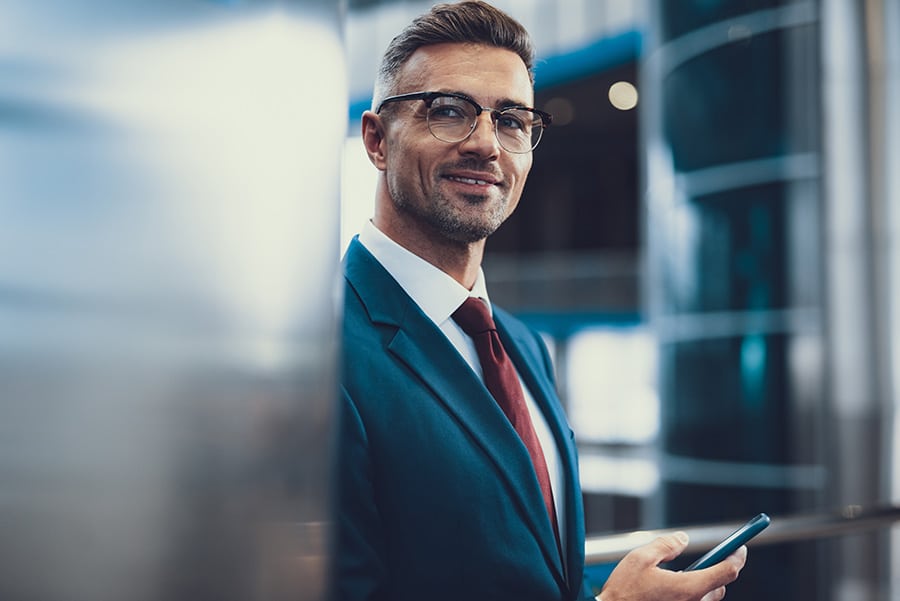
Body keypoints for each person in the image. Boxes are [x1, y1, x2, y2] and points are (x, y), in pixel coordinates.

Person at [333, 2, 748, 600]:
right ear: (376, 139)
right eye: (448, 112)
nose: (485, 145)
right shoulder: (320, 364)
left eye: (511, 121)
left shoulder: (522, 346)